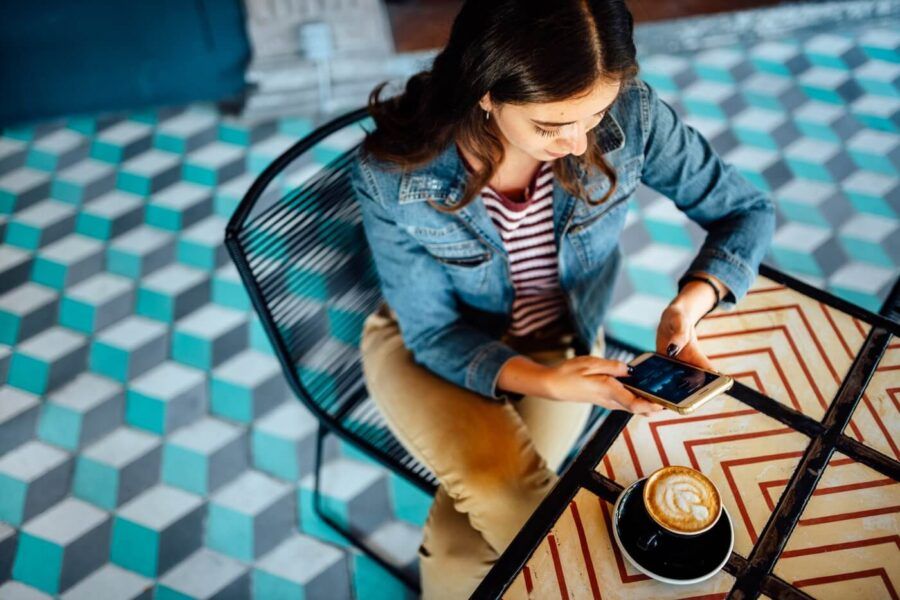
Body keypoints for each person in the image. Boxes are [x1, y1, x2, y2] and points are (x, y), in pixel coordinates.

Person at [349, 0, 775, 597]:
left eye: (595, 113)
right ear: (486, 93)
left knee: (460, 543)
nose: (579, 144)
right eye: (552, 126)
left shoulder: (635, 115)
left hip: (559, 337)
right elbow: (431, 333)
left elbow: (745, 210)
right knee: (507, 494)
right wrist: (553, 383)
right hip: (428, 345)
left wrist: (690, 304)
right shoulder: (392, 174)